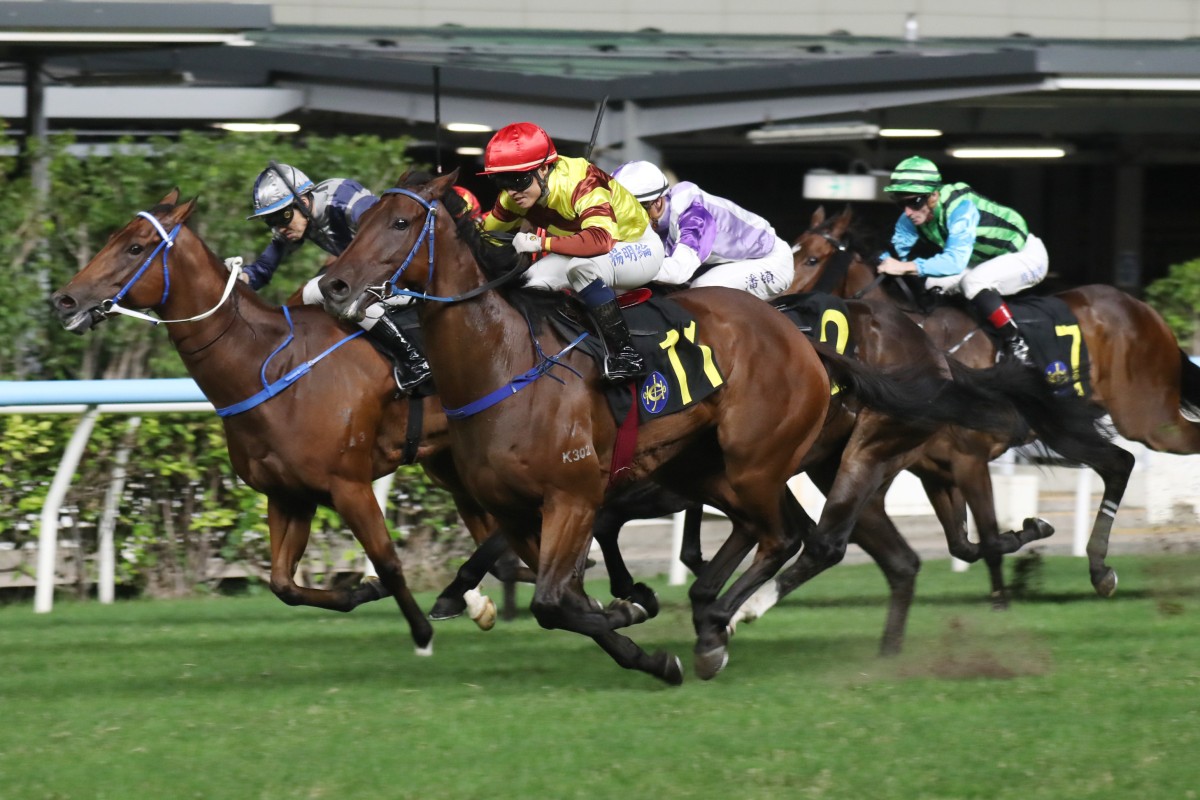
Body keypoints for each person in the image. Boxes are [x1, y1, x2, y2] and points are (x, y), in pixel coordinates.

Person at [479, 122, 664, 383]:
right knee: (530, 284)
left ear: (544, 168)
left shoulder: (582, 182)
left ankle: (627, 355)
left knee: (582, 270)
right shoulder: (513, 197)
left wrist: (541, 244)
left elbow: (601, 240)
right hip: (583, 249)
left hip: (636, 246)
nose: (512, 191)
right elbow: (485, 236)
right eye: (502, 181)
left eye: (519, 180)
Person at [242, 163, 431, 391]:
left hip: (409, 277)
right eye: (270, 221)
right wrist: (238, 278)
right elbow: (263, 270)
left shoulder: (343, 200)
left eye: (281, 217)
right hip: (375, 278)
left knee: (332, 293)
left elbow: (389, 238)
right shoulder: (300, 219)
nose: (279, 228)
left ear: (302, 202)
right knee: (311, 294)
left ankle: (415, 360)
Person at [876, 155, 1048, 365]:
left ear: (933, 195)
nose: (908, 211)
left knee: (974, 282)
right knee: (933, 281)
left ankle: (1017, 344)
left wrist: (904, 267)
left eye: (914, 201)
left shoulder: (961, 208)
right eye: (901, 203)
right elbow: (895, 252)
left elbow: (954, 262)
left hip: (1026, 256)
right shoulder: (910, 217)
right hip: (981, 259)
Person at [611, 160, 794, 300]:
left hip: (770, 261)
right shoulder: (652, 214)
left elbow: (678, 273)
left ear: (657, 203)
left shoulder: (695, 216)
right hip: (721, 263)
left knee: (702, 289)